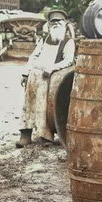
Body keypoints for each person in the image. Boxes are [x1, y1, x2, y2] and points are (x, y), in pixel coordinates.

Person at [17, 9, 76, 147]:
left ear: (65, 24)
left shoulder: (68, 42)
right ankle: (25, 132)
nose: (56, 24)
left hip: (54, 77)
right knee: (29, 99)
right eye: (53, 22)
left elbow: (68, 60)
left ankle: (45, 135)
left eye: (59, 22)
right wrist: (26, 73)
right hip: (36, 75)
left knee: (44, 101)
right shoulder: (43, 40)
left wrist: (52, 69)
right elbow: (34, 56)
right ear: (49, 25)